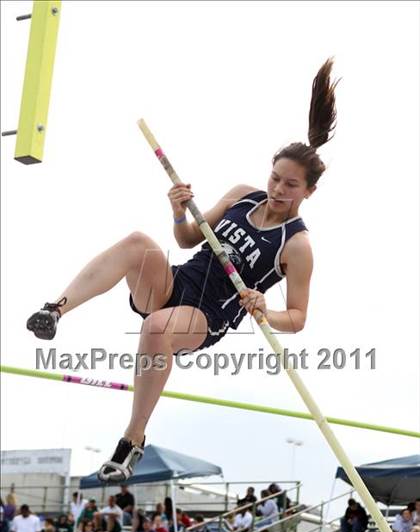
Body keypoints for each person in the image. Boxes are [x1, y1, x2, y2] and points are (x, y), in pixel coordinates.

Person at [26, 59, 339, 483]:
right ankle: (54, 310)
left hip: (207, 314)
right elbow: (189, 239)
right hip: (178, 281)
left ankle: (132, 439)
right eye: (275, 177)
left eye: (290, 185)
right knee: (139, 242)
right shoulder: (242, 197)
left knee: (156, 327)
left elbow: (298, 320)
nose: (278, 189)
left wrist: (265, 309)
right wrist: (177, 213)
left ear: (310, 192)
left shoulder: (297, 245)